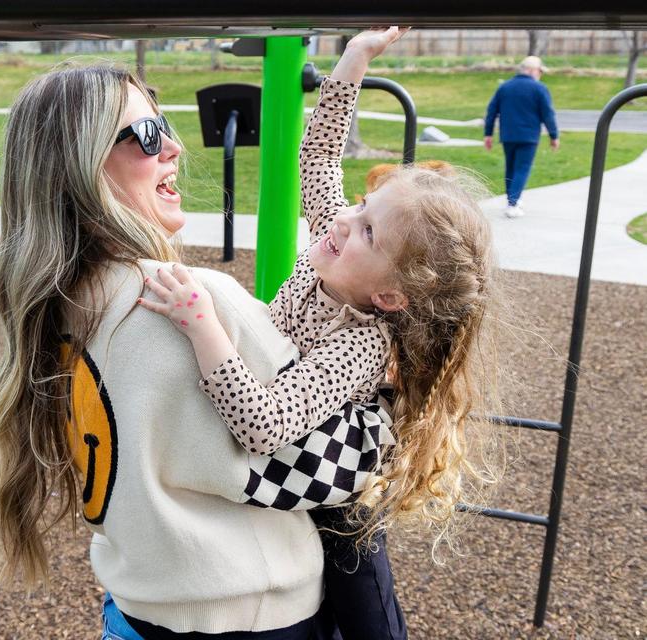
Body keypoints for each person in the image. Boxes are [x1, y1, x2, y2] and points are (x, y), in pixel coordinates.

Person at [0, 62, 387, 638]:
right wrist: (392, 415)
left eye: (164, 126)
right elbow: (323, 470)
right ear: (83, 165)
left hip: (140, 607)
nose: (174, 147)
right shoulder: (189, 304)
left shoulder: (56, 302)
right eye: (147, 135)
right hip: (249, 612)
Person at [139, 27, 503, 639]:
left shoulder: (362, 343)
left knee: (360, 605)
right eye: (360, 206)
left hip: (334, 496)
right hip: (286, 454)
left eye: (368, 232)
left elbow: (263, 425)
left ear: (390, 297)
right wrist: (354, 60)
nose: (342, 219)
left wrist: (201, 324)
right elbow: (318, 157)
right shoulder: (332, 253)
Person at [483, 55, 561, 219]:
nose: (540, 74)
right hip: (528, 136)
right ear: (533, 70)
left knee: (510, 167)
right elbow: (548, 114)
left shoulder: (505, 87)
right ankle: (512, 204)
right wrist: (554, 135)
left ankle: (512, 199)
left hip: (508, 135)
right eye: (540, 71)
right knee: (522, 169)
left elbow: (491, 111)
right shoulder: (539, 88)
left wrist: (488, 134)